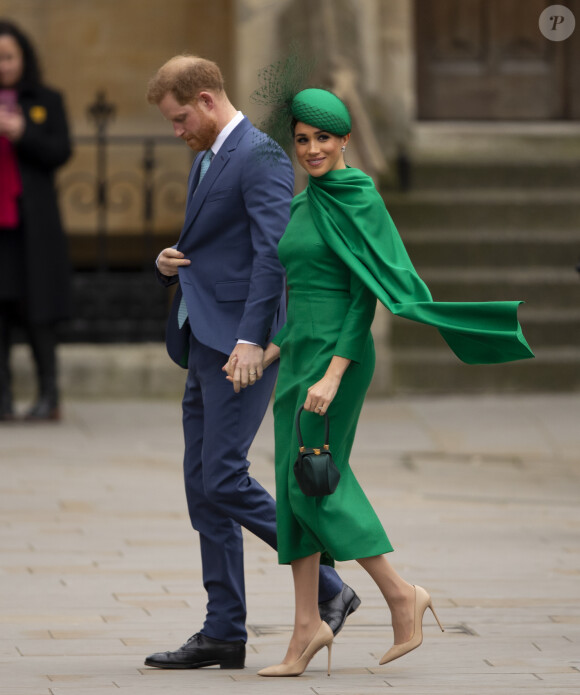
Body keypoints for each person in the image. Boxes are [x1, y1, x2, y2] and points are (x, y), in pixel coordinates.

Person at [227, 88, 534, 677]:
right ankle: (305, 627)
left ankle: (399, 593)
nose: (312, 149)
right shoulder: (302, 203)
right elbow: (301, 303)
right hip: (297, 359)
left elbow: (363, 294)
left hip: (337, 359)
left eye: (323, 138)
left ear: (344, 138)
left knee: (315, 482)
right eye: (302, 140)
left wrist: (334, 375)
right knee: (296, 487)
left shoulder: (359, 197)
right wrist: (267, 354)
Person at [143, 57, 360, 671]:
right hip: (203, 339)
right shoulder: (213, 152)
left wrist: (249, 341)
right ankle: (223, 630)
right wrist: (170, 264)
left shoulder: (260, 156)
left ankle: (331, 589)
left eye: (181, 118)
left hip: (239, 348)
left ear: (208, 100)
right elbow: (223, 245)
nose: (177, 131)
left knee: (223, 478)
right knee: (202, 488)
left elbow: (272, 256)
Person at [0, 20, 72, 422]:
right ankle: (2, 400)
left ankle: (49, 396)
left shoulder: (46, 99)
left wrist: (23, 131)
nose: (3, 65)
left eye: (8, 57)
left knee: (38, 312)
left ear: (23, 58)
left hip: (32, 228)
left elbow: (60, 151)